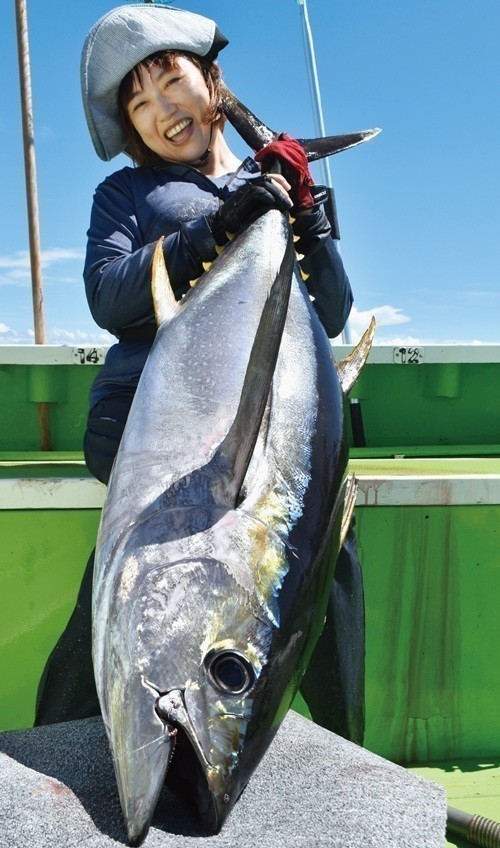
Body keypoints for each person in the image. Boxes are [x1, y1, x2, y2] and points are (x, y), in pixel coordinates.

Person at [35, 3, 364, 745]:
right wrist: (214, 229)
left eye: (168, 81)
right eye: (138, 104)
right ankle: (54, 745)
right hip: (159, 441)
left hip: (277, 436)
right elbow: (108, 294)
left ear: (212, 81)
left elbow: (335, 311)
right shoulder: (126, 198)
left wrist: (303, 211)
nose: (158, 110)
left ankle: (349, 748)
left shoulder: (279, 185)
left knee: (325, 558)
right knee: (132, 574)